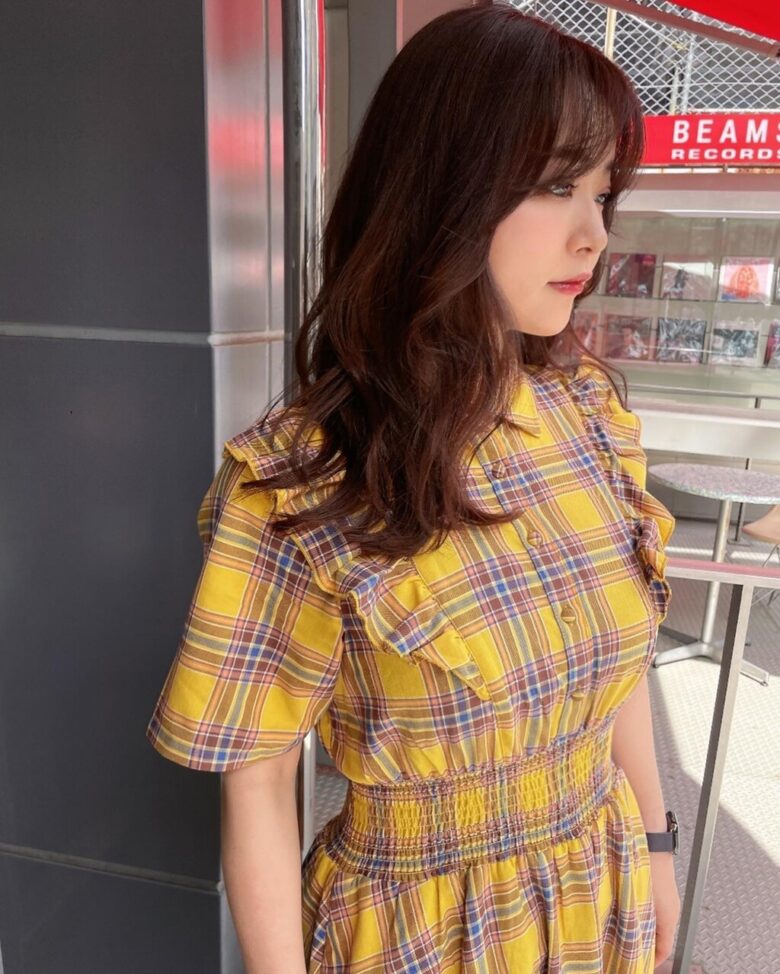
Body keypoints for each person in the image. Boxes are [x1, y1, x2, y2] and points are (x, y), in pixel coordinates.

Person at [146, 4, 682, 971]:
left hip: (598, 884)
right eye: (556, 186)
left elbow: (621, 672)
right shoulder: (302, 479)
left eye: (605, 193)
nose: (593, 235)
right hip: (423, 927)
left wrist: (655, 844)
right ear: (443, 190)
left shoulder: (588, 417)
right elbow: (258, 782)